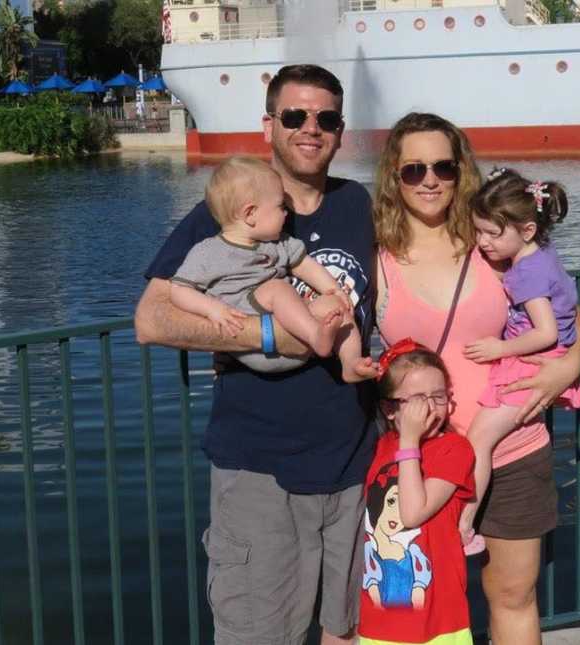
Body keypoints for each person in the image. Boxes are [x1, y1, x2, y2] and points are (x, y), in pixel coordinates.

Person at [135, 64, 376, 645]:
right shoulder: (228, 211)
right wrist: (265, 336)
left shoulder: (356, 203)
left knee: (344, 630)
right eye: (295, 116)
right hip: (261, 470)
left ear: (341, 131)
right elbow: (152, 318)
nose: (310, 129)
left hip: (352, 464)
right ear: (269, 124)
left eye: (326, 118)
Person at [372, 112, 580, 645]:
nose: (430, 180)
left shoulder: (492, 244)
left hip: (512, 445)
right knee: (413, 605)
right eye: (414, 169)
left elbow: (571, 318)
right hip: (421, 461)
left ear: (460, 171)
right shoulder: (375, 255)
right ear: (393, 176)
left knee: (512, 594)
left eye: (443, 167)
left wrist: (568, 365)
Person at [458, 168, 580, 553]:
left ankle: (465, 525)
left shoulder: (526, 274)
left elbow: (545, 332)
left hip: (531, 363)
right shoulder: (543, 254)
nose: (483, 242)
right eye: (478, 231)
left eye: (492, 234)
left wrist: (499, 349)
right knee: (486, 440)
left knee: (478, 440)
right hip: (545, 360)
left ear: (527, 231)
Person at [170, 156, 374, 382]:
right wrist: (212, 310)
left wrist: (334, 290)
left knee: (337, 306)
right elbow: (179, 290)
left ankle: (351, 363)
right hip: (251, 339)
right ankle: (317, 335)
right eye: (280, 207)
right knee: (277, 288)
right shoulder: (207, 252)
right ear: (250, 214)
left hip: (292, 326)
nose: (287, 213)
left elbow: (305, 265)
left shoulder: (278, 243)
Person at [360, 339, 475, 645]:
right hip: (378, 619)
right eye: (418, 399)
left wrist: (409, 443)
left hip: (439, 623)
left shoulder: (454, 449)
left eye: (439, 396)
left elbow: (411, 513)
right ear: (389, 409)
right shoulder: (379, 448)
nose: (430, 408)